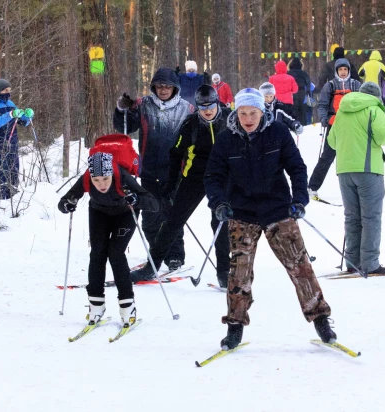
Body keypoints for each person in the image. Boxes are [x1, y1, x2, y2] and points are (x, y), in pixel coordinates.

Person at [204, 88, 336, 349]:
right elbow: (213, 177)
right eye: (242, 113)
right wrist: (219, 202)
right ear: (236, 113)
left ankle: (321, 319)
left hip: (277, 209)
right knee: (239, 272)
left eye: (253, 113)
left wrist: (299, 199)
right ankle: (235, 326)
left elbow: (297, 168)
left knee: (300, 265)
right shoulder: (225, 140)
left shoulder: (277, 133)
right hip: (241, 212)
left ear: (261, 112)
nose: (248, 118)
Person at [58, 152, 160, 326]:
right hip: (99, 212)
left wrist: (135, 200)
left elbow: (153, 203)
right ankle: (96, 305)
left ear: (111, 173)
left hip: (125, 214)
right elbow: (64, 201)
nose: (101, 184)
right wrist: (67, 204)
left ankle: (128, 307)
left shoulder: (123, 177)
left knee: (115, 253)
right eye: (96, 180)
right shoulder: (86, 178)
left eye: (105, 178)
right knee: (97, 253)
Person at [149, 85, 232, 287]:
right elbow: (176, 152)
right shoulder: (191, 123)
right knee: (174, 220)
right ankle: (152, 264)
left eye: (211, 105)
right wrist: (171, 181)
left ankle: (224, 272)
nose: (207, 110)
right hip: (195, 177)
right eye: (202, 107)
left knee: (220, 222)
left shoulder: (230, 119)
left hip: (223, 178)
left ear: (217, 103)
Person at [114, 67, 192, 280]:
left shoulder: (187, 109)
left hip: (174, 171)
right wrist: (122, 109)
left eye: (167, 86)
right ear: (154, 87)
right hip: (149, 171)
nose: (163, 90)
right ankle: (157, 252)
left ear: (175, 88)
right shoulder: (143, 105)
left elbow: (197, 134)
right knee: (150, 219)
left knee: (172, 217)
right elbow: (125, 127)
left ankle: (175, 256)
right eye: (159, 86)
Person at [327, 82, 385, 275]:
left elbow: (332, 141)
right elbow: (383, 136)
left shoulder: (342, 111)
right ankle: (370, 262)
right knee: (371, 217)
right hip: (368, 170)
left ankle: (352, 260)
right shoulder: (375, 110)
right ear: (377, 96)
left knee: (352, 217)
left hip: (344, 170)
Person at [308, 58, 361, 198]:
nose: (343, 72)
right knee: (327, 157)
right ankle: (312, 186)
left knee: (354, 158)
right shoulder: (330, 86)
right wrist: (324, 118)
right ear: (336, 71)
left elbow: (363, 104)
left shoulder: (356, 85)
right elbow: (322, 105)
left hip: (353, 127)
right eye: (340, 70)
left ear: (349, 71)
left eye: (345, 69)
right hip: (335, 126)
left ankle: (357, 189)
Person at [0, 79, 34, 200]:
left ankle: (14, 199)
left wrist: (28, 115)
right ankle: (2, 200)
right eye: (5, 90)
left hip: (13, 142)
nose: (8, 92)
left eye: (9, 90)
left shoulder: (10, 104)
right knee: (2, 173)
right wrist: (10, 115)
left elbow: (22, 122)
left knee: (14, 170)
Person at [287, 57, 312, 125]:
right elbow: (308, 82)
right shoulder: (303, 73)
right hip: (301, 91)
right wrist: (308, 91)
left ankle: (293, 122)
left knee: (293, 107)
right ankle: (303, 123)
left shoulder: (288, 73)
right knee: (302, 107)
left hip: (291, 91)